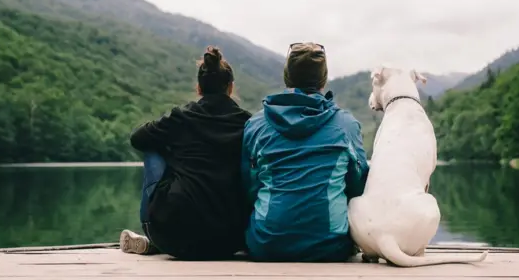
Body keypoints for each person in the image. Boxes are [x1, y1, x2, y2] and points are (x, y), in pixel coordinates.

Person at [120, 46, 253, 260]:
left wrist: (171, 148)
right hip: (231, 239)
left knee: (152, 148)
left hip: (172, 235)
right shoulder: (247, 122)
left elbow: (138, 138)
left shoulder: (181, 118)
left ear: (199, 88)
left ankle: (151, 233)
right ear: (230, 87)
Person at [241, 42, 370, 262]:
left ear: (287, 77)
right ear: (323, 79)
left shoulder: (256, 125)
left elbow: (249, 187)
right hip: (330, 245)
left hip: (266, 243)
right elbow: (358, 185)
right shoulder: (346, 126)